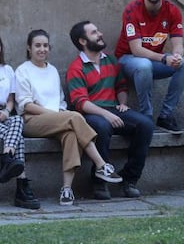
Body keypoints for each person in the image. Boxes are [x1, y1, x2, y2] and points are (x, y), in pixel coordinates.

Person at [15, 29, 122, 206]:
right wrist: (58, 115)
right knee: (74, 117)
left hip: (57, 120)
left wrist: (60, 114)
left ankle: (66, 190)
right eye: (37, 45)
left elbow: (60, 100)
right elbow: (26, 105)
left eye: (45, 45)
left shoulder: (53, 71)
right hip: (32, 120)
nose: (42, 49)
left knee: (71, 134)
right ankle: (101, 165)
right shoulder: (23, 70)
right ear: (29, 48)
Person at [67, 21, 153, 200]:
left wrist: (122, 103)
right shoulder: (76, 68)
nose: (100, 34)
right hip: (89, 114)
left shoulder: (111, 61)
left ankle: (129, 179)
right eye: (94, 33)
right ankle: (99, 183)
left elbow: (121, 86)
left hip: (114, 109)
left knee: (145, 124)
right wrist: (106, 114)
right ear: (83, 41)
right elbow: (80, 102)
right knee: (102, 127)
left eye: (98, 30)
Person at [115, 0, 184, 134]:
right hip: (127, 60)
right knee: (143, 65)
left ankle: (165, 116)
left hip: (153, 61)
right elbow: (136, 50)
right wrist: (164, 58)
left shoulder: (172, 11)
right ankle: (146, 117)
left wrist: (177, 55)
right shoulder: (132, 9)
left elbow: (178, 43)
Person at [0, 37, 40, 209]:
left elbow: (10, 99)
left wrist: (7, 111)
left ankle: (7, 159)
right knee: (19, 139)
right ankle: (22, 186)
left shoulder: (7, 69)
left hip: (4, 114)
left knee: (17, 119)